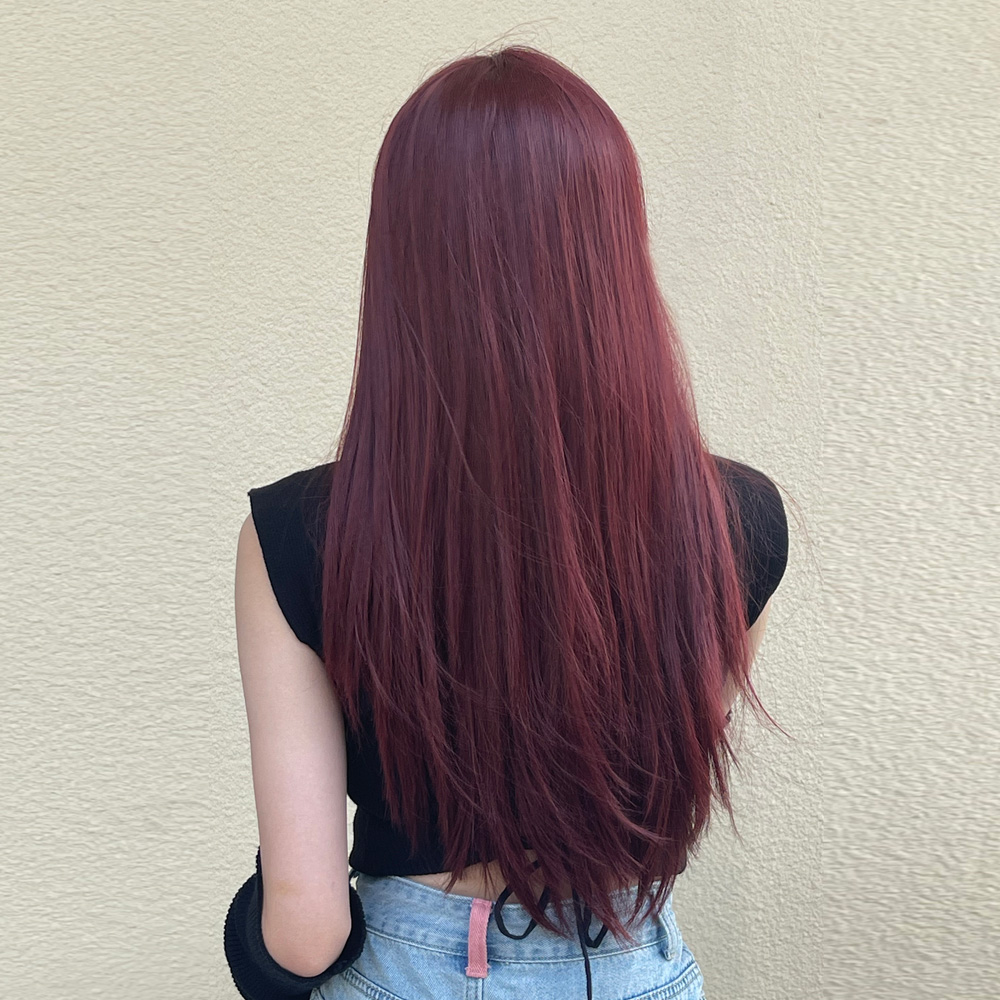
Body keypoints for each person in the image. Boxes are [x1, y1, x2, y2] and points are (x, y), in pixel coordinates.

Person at [223, 44, 789, 1000]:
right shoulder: (736, 521)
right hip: (635, 964)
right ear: (614, 247)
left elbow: (306, 932)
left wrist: (255, 925)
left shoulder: (296, 534)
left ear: (403, 256)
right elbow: (658, 811)